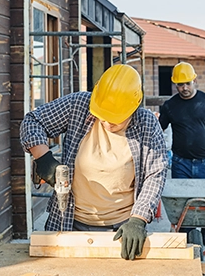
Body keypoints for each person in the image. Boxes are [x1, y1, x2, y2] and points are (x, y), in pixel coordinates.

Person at [20, 64, 168, 260]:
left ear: (134, 108)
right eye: (102, 116)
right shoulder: (79, 105)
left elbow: (155, 174)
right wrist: (43, 158)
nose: (106, 123)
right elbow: (32, 121)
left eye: (114, 120)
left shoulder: (147, 123)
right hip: (68, 221)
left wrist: (138, 220)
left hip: (122, 228)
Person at [159, 61, 205, 247]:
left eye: (187, 83)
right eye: (180, 85)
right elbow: (158, 131)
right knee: (182, 203)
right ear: (175, 85)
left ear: (194, 80)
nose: (184, 88)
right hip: (180, 163)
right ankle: (187, 233)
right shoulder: (170, 106)